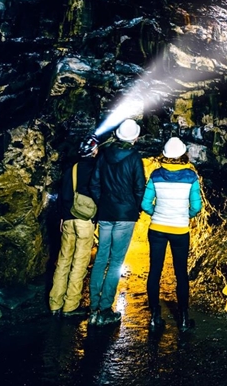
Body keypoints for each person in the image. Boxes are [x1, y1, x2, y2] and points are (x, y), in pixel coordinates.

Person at [87, 118, 146, 326]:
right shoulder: (134, 157)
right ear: (135, 137)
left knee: (101, 258)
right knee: (115, 262)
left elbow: (94, 184)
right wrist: (134, 207)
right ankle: (104, 309)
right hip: (124, 216)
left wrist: (102, 203)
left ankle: (93, 307)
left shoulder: (103, 155)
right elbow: (140, 187)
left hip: (105, 214)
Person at [142, 136, 203, 332]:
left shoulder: (156, 174)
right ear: (183, 154)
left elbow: (145, 204)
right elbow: (196, 206)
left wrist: (157, 213)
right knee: (181, 273)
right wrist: (185, 215)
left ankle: (154, 317)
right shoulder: (191, 176)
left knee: (155, 271)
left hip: (157, 229)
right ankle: (184, 320)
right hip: (180, 231)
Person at [48, 144, 97, 317]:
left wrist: (62, 216)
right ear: (94, 151)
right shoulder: (94, 168)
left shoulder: (71, 169)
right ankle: (70, 305)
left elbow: (63, 194)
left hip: (68, 219)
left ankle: (55, 303)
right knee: (79, 262)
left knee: (63, 261)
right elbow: (97, 192)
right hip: (84, 219)